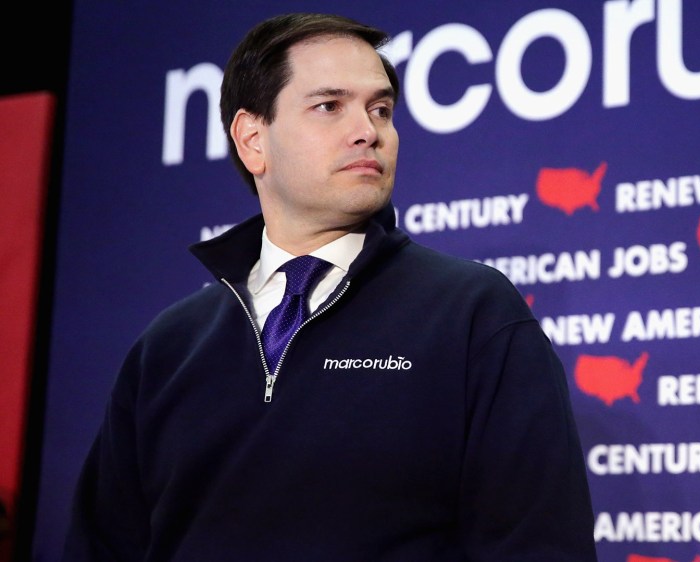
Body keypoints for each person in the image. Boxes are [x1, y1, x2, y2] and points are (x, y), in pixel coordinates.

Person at [62, 12, 598, 561]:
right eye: (329, 106)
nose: (368, 131)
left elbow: (541, 545)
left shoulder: (473, 313)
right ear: (252, 140)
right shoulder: (168, 347)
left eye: (380, 109)